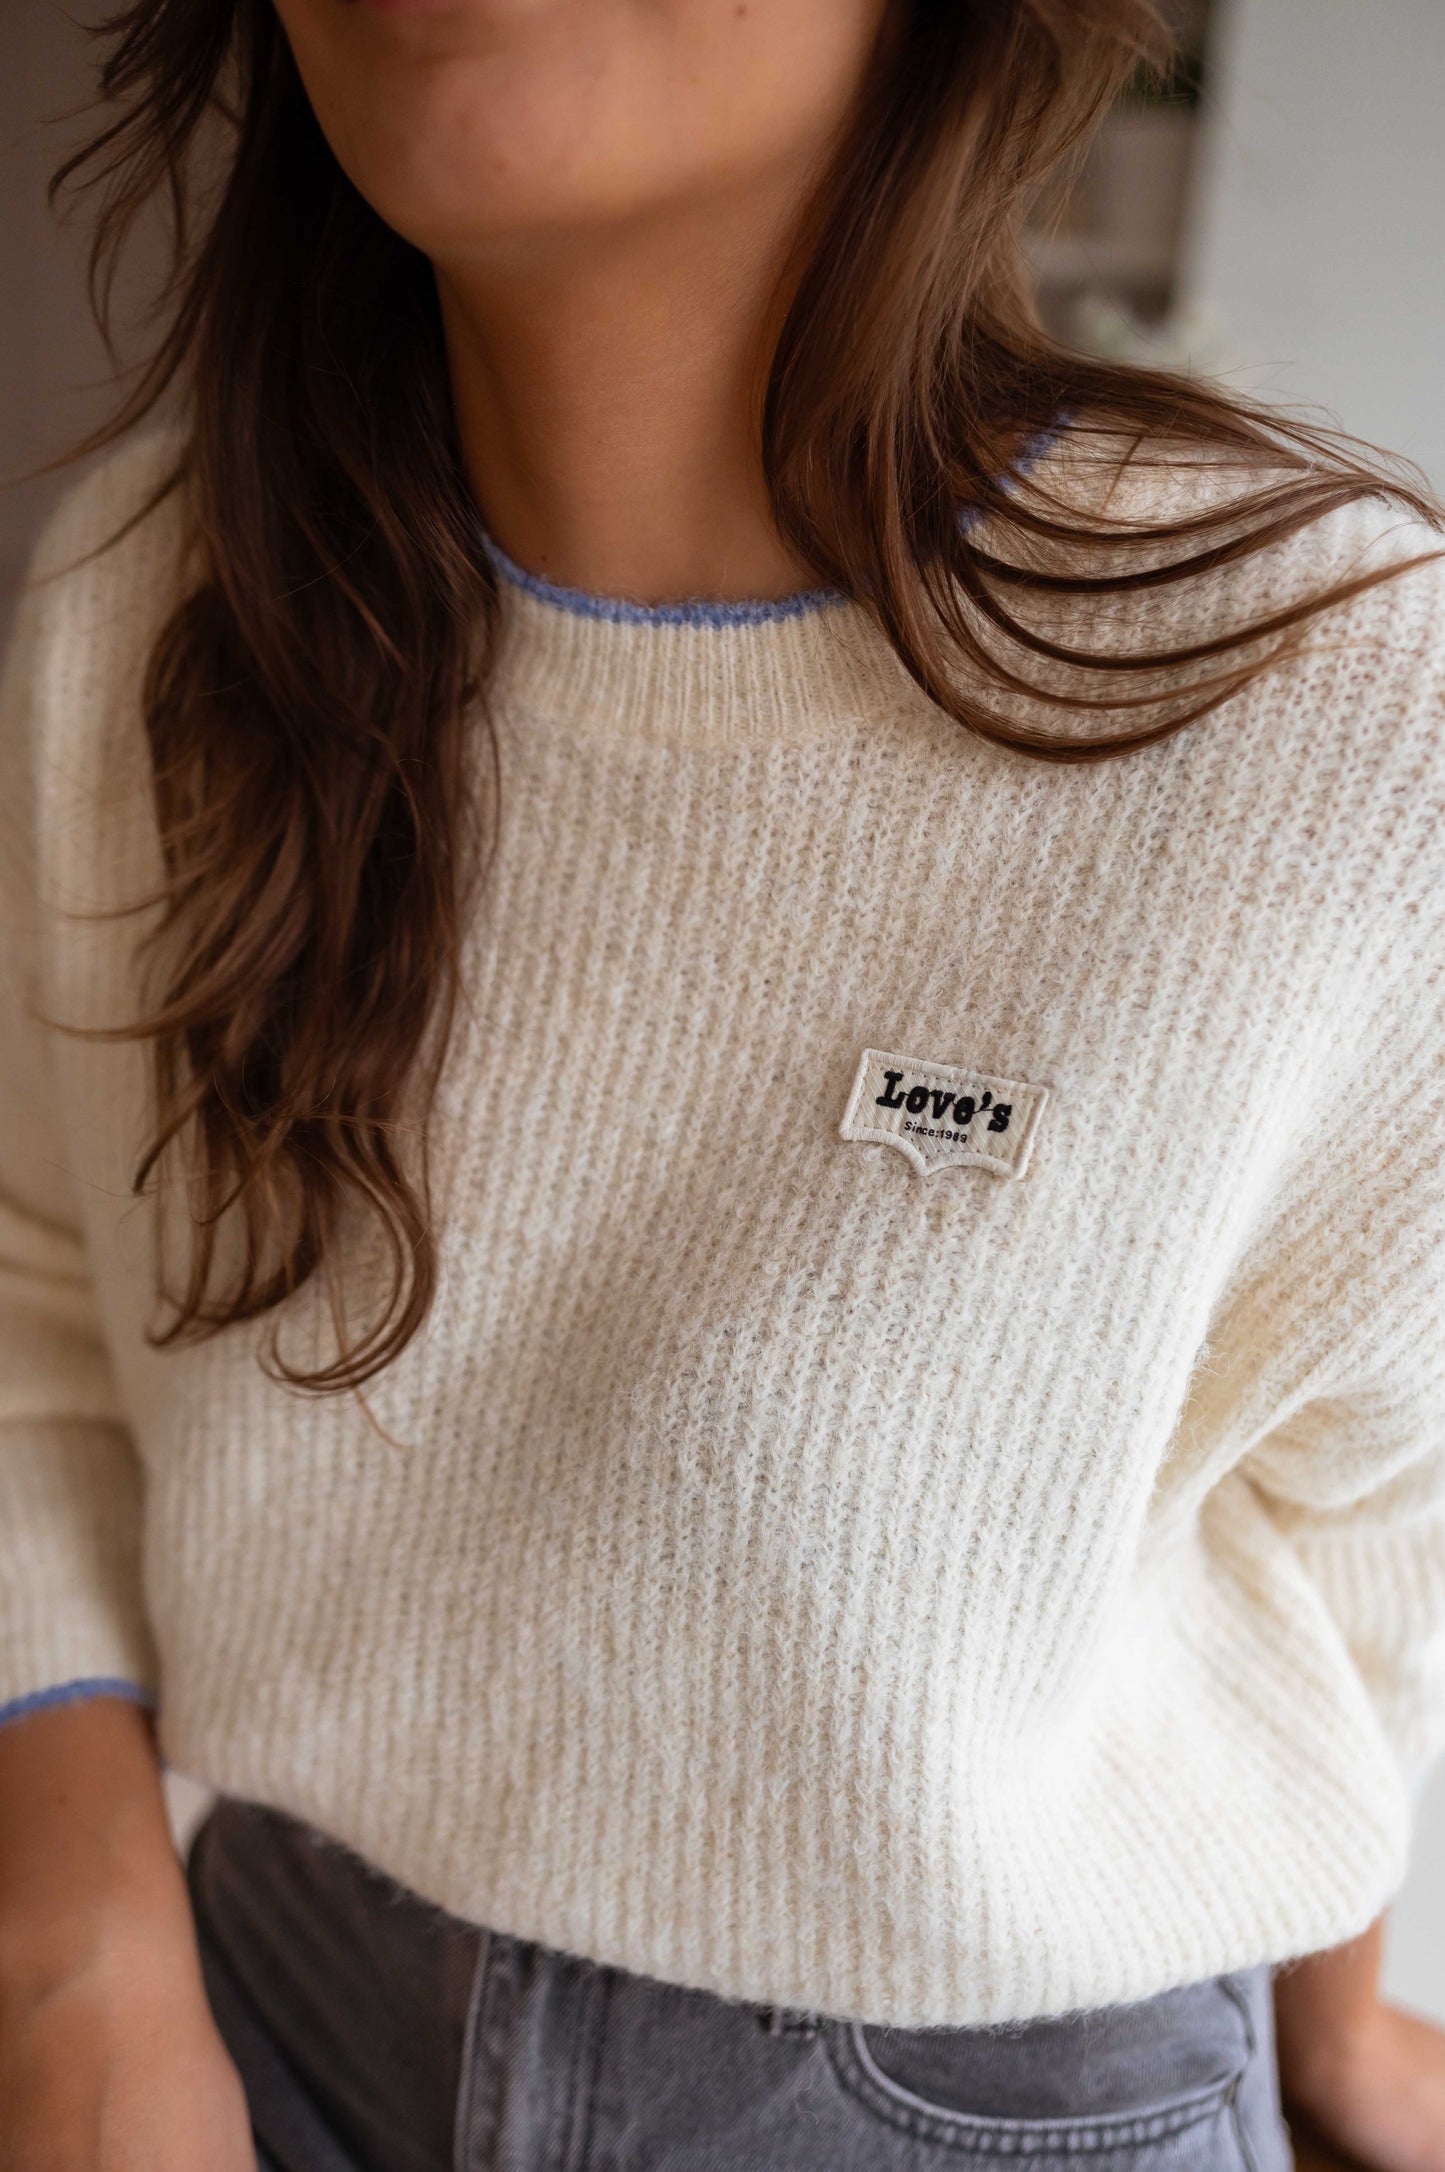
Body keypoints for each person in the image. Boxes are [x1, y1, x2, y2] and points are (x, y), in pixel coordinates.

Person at [0, 1, 1442, 2166]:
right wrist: (80, 1971)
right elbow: (36, 1294)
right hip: (260, 2003)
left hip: (978, 2095)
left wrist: (1333, 2025)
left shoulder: (1332, 705)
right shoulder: (155, 603)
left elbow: (1376, 1503)